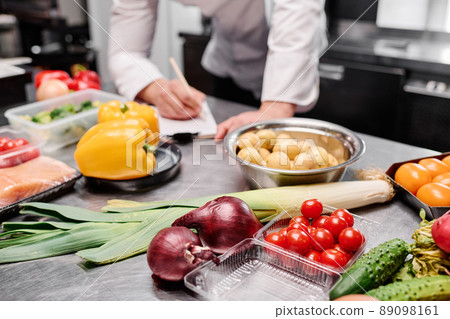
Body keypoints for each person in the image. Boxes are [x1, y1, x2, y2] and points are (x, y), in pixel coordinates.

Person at [108, 0, 327, 140]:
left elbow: (298, 8)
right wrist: (156, 90)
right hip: (229, 61)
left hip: (297, 67)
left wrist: (277, 108)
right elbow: (125, 51)